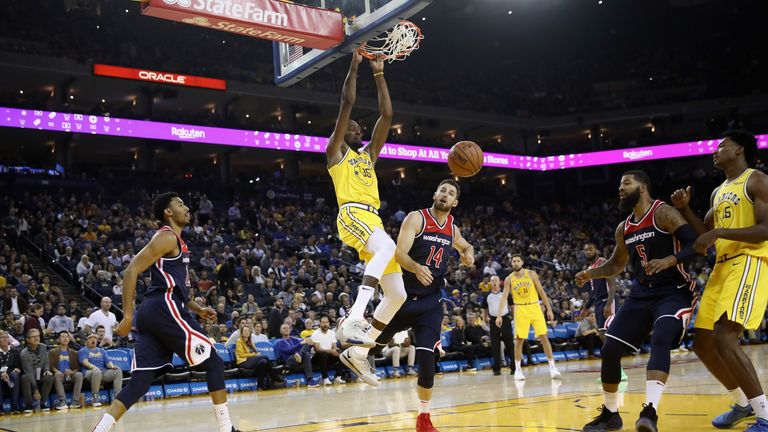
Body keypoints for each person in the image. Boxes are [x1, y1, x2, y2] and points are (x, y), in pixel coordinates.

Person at [91, 192, 240, 432]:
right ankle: (226, 429)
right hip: (163, 307)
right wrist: (127, 316)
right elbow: (130, 271)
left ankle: (99, 430)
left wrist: (197, 308)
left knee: (140, 382)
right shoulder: (167, 237)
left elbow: (176, 288)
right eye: (180, 204)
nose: (187, 207)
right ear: (168, 213)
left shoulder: (178, 244)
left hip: (156, 311)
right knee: (214, 361)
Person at [575, 170, 698, 432]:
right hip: (642, 293)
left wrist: (670, 260)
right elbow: (616, 264)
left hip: (673, 290)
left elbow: (695, 244)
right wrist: (590, 274)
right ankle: (610, 414)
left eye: (626, 183)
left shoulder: (662, 212)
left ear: (642, 187)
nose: (620, 188)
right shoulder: (624, 227)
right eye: (620, 184)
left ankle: (650, 412)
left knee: (661, 338)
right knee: (609, 350)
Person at [671, 130, 768, 430]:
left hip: (749, 261)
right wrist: (685, 208)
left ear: (740, 150)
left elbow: (765, 229)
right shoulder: (718, 191)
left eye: (722, 145)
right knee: (703, 343)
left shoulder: (757, 180)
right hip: (722, 267)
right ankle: (742, 403)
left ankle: (764, 414)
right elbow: (705, 236)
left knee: (726, 337)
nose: (716, 150)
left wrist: (720, 233)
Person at [326, 51, 407, 387]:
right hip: (352, 214)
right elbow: (346, 101)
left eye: (360, 125)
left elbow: (387, 114)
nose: (356, 125)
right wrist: (354, 67)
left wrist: (379, 74)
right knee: (387, 246)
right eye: (351, 125)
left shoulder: (368, 157)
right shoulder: (335, 153)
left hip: (372, 220)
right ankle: (354, 315)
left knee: (398, 294)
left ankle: (359, 354)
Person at [368, 179, 475, 432]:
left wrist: (468, 253)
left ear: (455, 202)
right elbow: (399, 254)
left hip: (431, 303)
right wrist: (416, 268)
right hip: (403, 297)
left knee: (428, 361)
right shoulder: (416, 218)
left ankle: (423, 418)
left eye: (450, 193)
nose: (445, 195)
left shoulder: (452, 228)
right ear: (435, 193)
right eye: (442, 190)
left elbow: (465, 245)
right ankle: (358, 346)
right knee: (371, 348)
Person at [499, 255, 561, 381]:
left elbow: (541, 291)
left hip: (534, 307)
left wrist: (548, 308)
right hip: (520, 309)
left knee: (544, 336)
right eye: (514, 261)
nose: (516, 263)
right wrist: (499, 314)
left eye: (518, 260)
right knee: (519, 339)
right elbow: (504, 297)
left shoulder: (531, 274)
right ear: (512, 264)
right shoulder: (508, 279)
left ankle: (553, 367)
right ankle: (518, 370)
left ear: (522, 262)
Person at [483, 275, 516, 376]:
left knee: (510, 344)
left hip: (505, 319)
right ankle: (497, 368)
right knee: (495, 346)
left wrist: (514, 318)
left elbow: (512, 306)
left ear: (499, 282)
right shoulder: (487, 295)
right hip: (493, 321)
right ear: (490, 283)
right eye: (492, 280)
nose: (494, 282)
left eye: (496, 280)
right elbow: (484, 309)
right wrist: (485, 319)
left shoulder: (505, 293)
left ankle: (514, 367)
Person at [80, 333, 122, 406]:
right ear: (86, 341)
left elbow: (108, 362)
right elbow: (85, 362)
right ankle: (95, 399)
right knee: (97, 372)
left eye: (95, 338)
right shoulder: (83, 350)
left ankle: (116, 398)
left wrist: (112, 366)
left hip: (103, 372)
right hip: (89, 372)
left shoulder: (101, 350)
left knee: (118, 370)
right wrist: (93, 367)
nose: (93, 340)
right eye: (90, 338)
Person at [20, 328, 54, 412]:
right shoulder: (24, 354)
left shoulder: (43, 347)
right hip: (30, 376)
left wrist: (46, 370)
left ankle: (43, 403)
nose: (36, 338)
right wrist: (35, 389)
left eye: (38, 336)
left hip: (40, 375)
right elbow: (29, 372)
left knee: (49, 376)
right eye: (33, 337)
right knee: (25, 378)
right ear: (28, 340)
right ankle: (29, 405)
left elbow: (46, 362)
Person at [274, 323, 317, 388]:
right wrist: (300, 344)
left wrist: (309, 341)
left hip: (300, 362)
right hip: (289, 363)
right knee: (304, 353)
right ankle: (310, 380)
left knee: (306, 351)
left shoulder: (295, 339)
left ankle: (310, 380)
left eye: (288, 328)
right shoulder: (279, 343)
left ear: (290, 330)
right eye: (284, 328)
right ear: (281, 331)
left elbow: (305, 343)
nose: (286, 329)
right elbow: (289, 350)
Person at [49, 331, 83, 410]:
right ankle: (62, 402)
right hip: (60, 375)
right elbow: (51, 366)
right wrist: (57, 371)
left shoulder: (74, 352)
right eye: (62, 336)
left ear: (69, 339)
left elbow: (77, 368)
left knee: (79, 375)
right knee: (57, 375)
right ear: (58, 339)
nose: (65, 338)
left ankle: (75, 402)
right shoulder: (52, 352)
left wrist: (72, 372)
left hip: (71, 375)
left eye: (67, 336)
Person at [310, 316, 346, 385]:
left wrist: (336, 352)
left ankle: (338, 377)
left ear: (329, 323)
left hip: (328, 357)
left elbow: (334, 347)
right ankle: (325, 378)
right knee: (323, 354)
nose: (325, 324)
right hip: (317, 358)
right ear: (320, 324)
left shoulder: (332, 333)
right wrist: (331, 351)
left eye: (326, 322)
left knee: (343, 355)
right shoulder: (315, 333)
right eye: (323, 322)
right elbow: (317, 349)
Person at [234, 326, 270, 391]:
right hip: (243, 362)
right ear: (241, 333)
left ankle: (260, 386)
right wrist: (254, 354)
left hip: (251, 361)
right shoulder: (239, 341)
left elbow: (256, 353)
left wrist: (255, 354)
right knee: (265, 357)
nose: (247, 332)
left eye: (248, 331)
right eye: (245, 330)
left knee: (263, 362)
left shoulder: (251, 342)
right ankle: (274, 376)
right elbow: (241, 355)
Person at [0, 330, 21, 414]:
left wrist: (17, 369)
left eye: (6, 337)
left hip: (11, 376)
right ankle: (0, 407)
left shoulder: (15, 351)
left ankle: (14, 406)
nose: (5, 339)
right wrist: (1, 373)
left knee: (14, 375)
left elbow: (19, 366)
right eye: (2, 337)